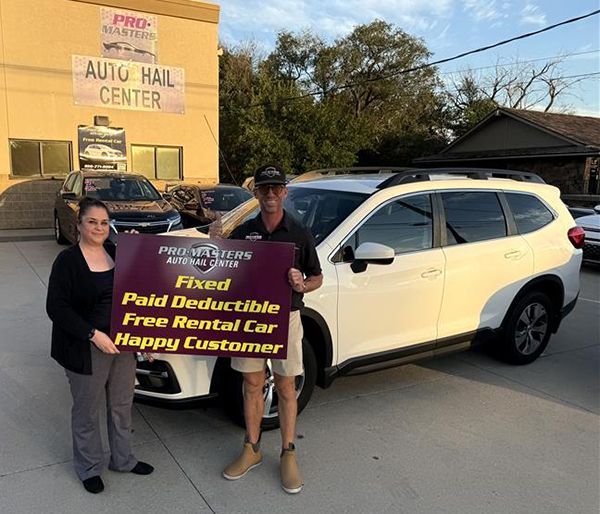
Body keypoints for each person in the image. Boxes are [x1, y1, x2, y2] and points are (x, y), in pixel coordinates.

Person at [215, 164, 323, 494]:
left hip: (285, 318)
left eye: (277, 188)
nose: (271, 194)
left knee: (287, 386)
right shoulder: (244, 230)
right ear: (257, 193)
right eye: (265, 189)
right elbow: (222, 268)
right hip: (249, 318)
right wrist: (215, 242)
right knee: (251, 383)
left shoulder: (299, 232)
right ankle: (252, 448)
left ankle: (288, 452)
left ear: (285, 192)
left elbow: (317, 276)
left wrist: (302, 284)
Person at [46, 198, 153, 494]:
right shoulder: (68, 261)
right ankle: (89, 467)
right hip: (86, 346)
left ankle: (123, 459)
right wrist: (93, 334)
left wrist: (143, 338)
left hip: (122, 345)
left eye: (104, 222)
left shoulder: (116, 253)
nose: (98, 227)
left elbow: (139, 294)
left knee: (121, 406)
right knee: (87, 411)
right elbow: (56, 307)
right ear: (79, 224)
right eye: (92, 221)